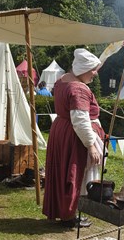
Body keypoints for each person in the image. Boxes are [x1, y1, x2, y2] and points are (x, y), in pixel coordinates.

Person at [43, 49, 105, 228]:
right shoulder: (78, 89)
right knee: (73, 173)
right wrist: (91, 144)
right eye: (92, 69)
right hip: (73, 135)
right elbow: (80, 120)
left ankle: (64, 212)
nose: (95, 73)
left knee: (62, 172)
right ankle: (68, 215)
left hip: (61, 130)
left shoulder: (62, 81)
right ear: (84, 69)